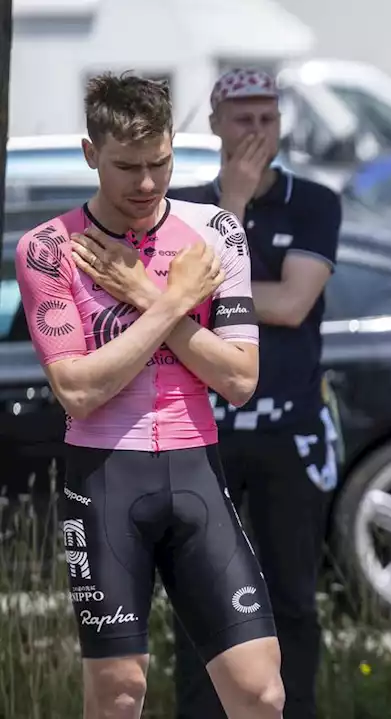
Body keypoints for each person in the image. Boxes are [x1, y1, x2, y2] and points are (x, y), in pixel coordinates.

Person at [14, 72, 284, 718]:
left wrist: (142, 295)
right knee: (119, 695)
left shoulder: (215, 232)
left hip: (196, 467)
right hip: (107, 478)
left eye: (159, 163)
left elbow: (240, 380)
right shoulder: (49, 250)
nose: (145, 184)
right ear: (90, 154)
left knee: (261, 691)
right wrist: (165, 302)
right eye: (126, 167)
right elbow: (78, 390)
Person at [167, 67, 343, 719]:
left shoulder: (315, 202)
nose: (256, 132)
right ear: (214, 122)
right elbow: (171, 303)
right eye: (242, 118)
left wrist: (208, 297)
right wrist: (232, 208)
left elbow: (295, 303)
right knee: (200, 596)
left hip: (287, 432)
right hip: (202, 433)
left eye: (267, 119)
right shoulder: (181, 205)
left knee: (291, 596)